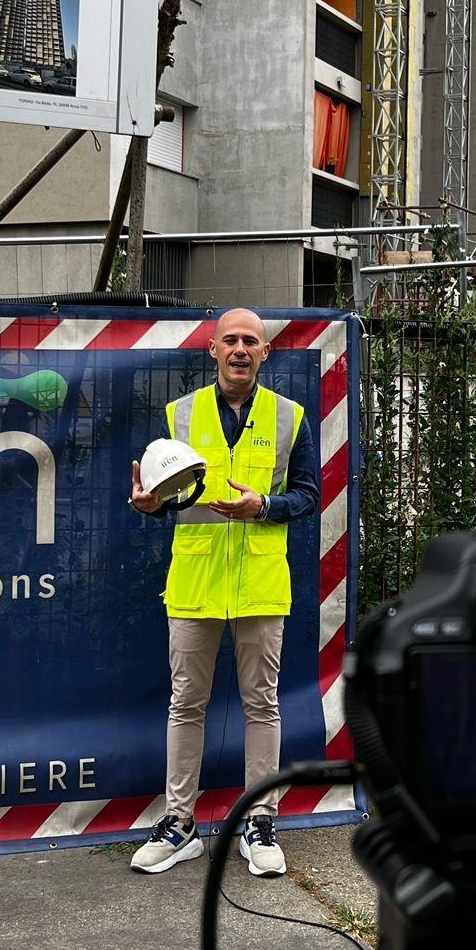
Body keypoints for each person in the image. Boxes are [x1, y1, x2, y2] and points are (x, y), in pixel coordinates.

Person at [128, 307, 320, 878]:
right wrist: (152, 505)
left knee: (262, 704)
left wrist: (264, 506)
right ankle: (180, 824)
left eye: (250, 342)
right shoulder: (180, 414)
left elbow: (308, 494)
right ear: (212, 349)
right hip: (194, 584)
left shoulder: (291, 417)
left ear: (265, 353)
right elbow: (173, 496)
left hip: (260, 584)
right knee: (185, 704)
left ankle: (260, 823)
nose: (240, 349)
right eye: (230, 340)